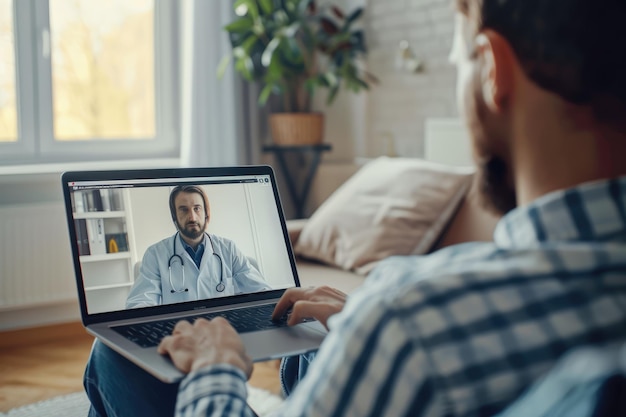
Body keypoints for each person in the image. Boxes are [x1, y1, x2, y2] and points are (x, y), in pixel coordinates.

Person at [84, 0, 626, 416]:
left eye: (459, 61)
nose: (191, 217)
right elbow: (144, 301)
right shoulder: (401, 318)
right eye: (183, 212)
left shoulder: (407, 323)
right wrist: (354, 323)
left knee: (113, 360)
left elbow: (252, 283)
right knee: (311, 343)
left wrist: (217, 368)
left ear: (491, 71)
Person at [126, 185, 269, 308]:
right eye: (183, 209)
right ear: (174, 217)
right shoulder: (155, 254)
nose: (192, 217)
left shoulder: (228, 249)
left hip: (221, 329)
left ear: (206, 213)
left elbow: (262, 291)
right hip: (179, 332)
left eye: (197, 208)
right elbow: (140, 302)